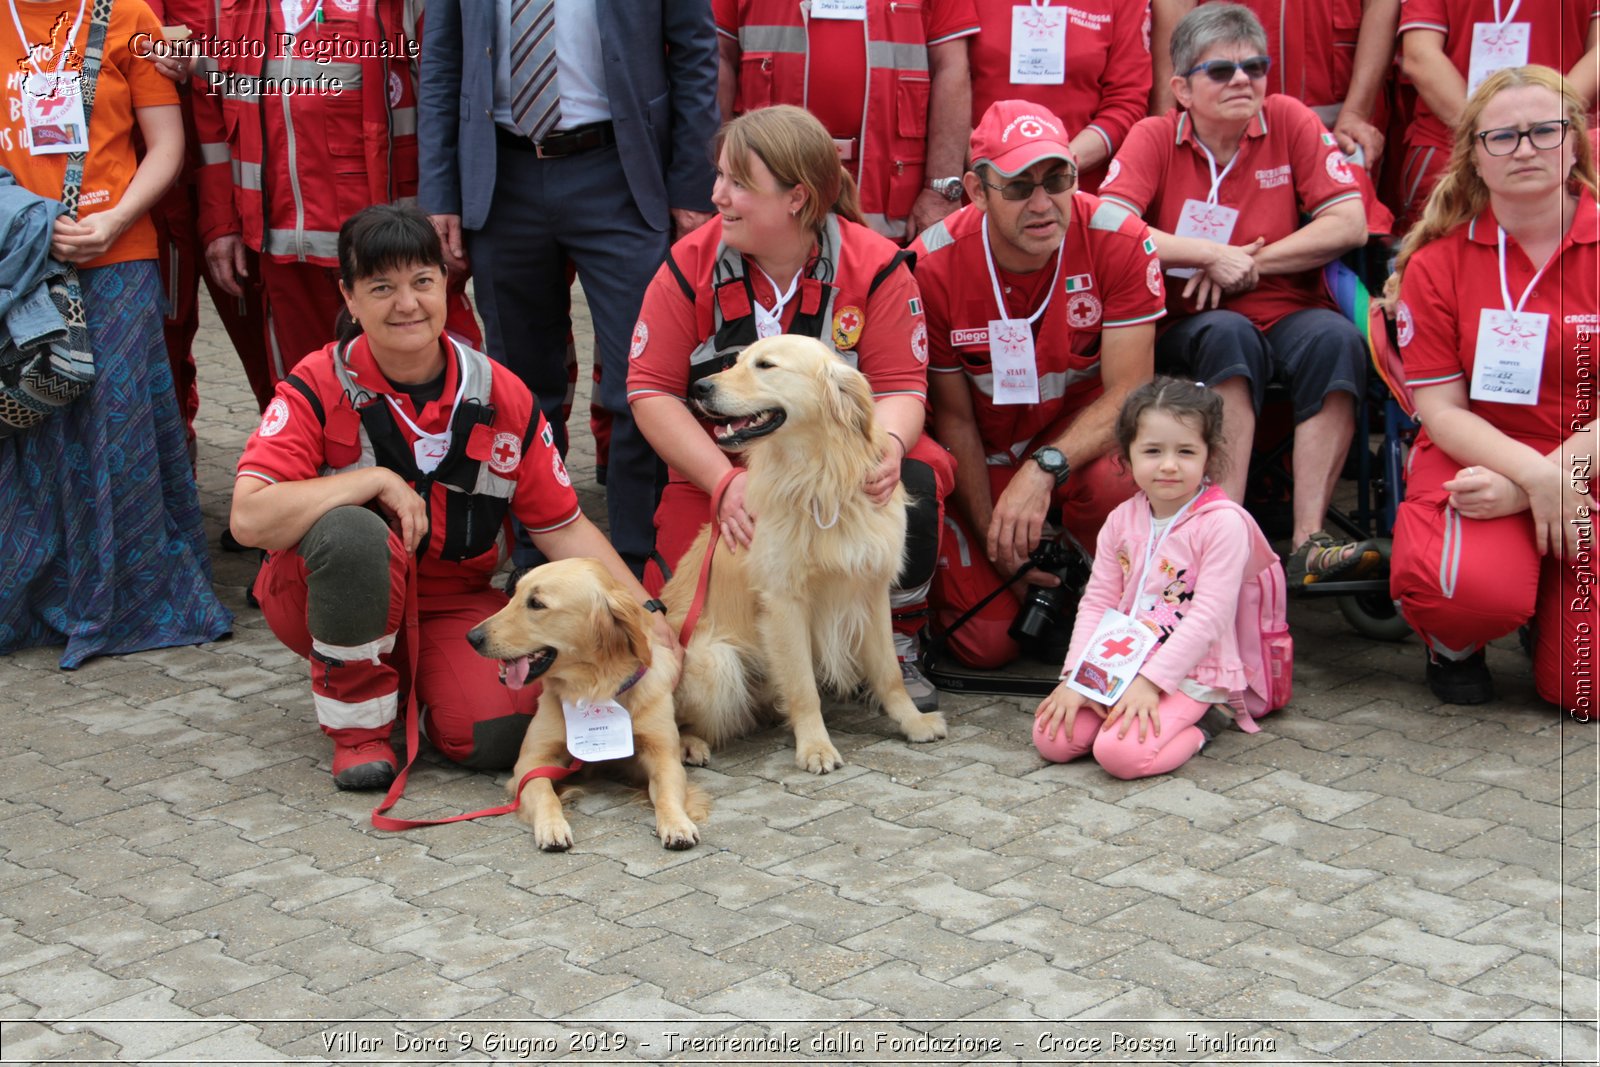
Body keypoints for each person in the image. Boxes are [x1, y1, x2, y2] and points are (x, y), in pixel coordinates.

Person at [231, 205, 675, 789]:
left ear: (446, 283)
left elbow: (563, 525)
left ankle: (415, 678)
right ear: (350, 297)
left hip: (448, 602)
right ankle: (359, 731)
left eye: (422, 282)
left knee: (497, 733)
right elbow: (247, 518)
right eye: (382, 287)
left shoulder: (500, 392)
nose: (407, 304)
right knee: (352, 532)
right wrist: (371, 481)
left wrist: (645, 611)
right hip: (321, 591)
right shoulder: (315, 384)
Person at [628, 105, 952, 711]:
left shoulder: (876, 264)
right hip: (714, 475)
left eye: (738, 183)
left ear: (797, 198)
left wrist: (885, 449)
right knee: (690, 630)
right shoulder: (687, 265)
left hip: (830, 473)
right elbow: (649, 391)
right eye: (720, 176)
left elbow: (903, 389)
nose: (716, 195)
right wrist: (723, 483)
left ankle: (895, 642)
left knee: (914, 475)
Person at [418, 0, 719, 582]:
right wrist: (440, 192)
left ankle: (641, 562)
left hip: (622, 176)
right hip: (502, 180)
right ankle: (540, 561)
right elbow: (440, 65)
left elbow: (696, 57)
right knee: (521, 389)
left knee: (643, 382)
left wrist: (692, 184)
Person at [1099, 2, 1382, 591]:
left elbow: (1350, 221)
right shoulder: (1154, 135)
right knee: (1229, 336)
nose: (1242, 81)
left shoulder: (1290, 119)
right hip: (1193, 316)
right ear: (1180, 88)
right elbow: (1109, 224)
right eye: (1221, 71)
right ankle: (1221, 540)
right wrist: (1206, 254)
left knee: (1337, 339)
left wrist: (1249, 263)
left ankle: (1310, 543)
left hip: (1285, 305)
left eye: (1255, 67)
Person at [0, 0, 232, 667]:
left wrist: (115, 217)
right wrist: (26, 222)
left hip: (119, 251)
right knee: (32, 419)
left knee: (118, 424)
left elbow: (167, 144)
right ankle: (36, 591)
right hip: (23, 258)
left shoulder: (130, 15)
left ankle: (127, 593)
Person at [915, 100, 1163, 669]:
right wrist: (995, 539)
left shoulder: (1120, 238)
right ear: (977, 192)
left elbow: (1130, 390)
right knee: (984, 644)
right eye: (1020, 186)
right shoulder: (932, 264)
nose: (1044, 202)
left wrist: (1044, 468)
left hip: (1074, 453)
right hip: (987, 453)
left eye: (1058, 179)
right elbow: (953, 419)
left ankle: (1117, 604)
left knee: (1126, 475)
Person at [1389, 65, 1598, 714]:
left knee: (1583, 691)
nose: (1526, 148)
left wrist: (1541, 480)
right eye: (1503, 137)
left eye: (1544, 131)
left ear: (1576, 144)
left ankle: (1549, 606)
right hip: (1475, 454)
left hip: (1589, 457)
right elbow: (1440, 409)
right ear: (1475, 158)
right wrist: (1529, 477)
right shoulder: (1437, 262)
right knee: (1465, 591)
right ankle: (1454, 644)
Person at [188, 0, 481, 401]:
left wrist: (443, 206)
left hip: (391, 250)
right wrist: (220, 222)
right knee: (309, 398)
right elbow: (212, 109)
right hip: (283, 253)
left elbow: (446, 98)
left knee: (419, 395)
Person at [1033, 378, 1276, 778]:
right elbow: (1097, 602)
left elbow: (1209, 616)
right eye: (1152, 451)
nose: (1168, 464)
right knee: (1053, 738)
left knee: (1120, 757)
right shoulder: (1121, 519)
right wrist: (1077, 676)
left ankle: (1206, 723)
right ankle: (1129, 714)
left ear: (1208, 456)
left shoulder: (1224, 524)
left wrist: (1151, 683)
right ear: (1125, 457)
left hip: (1192, 671)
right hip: (1123, 662)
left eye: (1185, 451)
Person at [713, 0, 979, 240]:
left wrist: (940, 190)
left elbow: (952, 68)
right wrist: (717, 180)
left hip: (889, 207)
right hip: (766, 196)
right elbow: (716, 60)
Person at [1396, 0, 1597, 229]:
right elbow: (1420, 56)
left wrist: (1547, 127)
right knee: (1446, 254)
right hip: (1451, 150)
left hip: (1557, 153)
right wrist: (1486, 134)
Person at [1151, 0, 1400, 170]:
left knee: (1339, 233)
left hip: (1339, 126)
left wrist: (1356, 113)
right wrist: (1165, 118)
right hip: (1215, 127)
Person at [966, 0, 1153, 191]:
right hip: (987, 186)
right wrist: (993, 170)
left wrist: (1058, 167)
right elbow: (947, 88)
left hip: (1078, 188)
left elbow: (1127, 101)